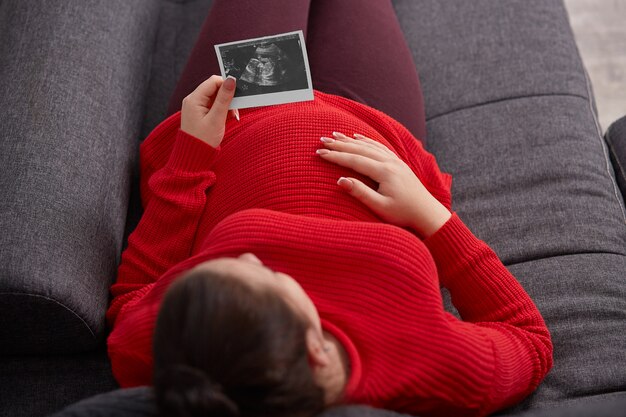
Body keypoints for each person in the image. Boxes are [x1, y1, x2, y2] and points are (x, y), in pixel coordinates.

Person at [105, 1, 554, 417]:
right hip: (372, 119)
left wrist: (190, 156)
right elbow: (528, 340)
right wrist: (431, 215)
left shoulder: (186, 352)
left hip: (233, 115)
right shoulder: (429, 361)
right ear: (316, 347)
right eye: (266, 275)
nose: (244, 256)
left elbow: (131, 300)